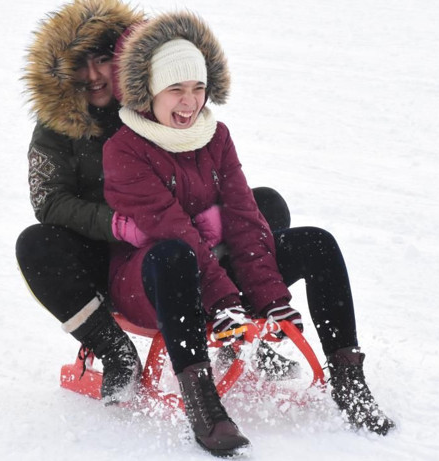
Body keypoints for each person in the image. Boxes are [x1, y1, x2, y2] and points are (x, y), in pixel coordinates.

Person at [102, 11, 396, 456]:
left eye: (198, 88)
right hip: (151, 280)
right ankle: (204, 406)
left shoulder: (215, 135)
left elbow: (243, 217)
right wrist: (225, 301)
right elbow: (174, 229)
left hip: (213, 267)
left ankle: (349, 382)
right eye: (176, 89)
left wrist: (271, 300)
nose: (189, 102)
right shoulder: (123, 148)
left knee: (317, 242)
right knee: (176, 254)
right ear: (149, 92)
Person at [16, 0, 294, 406]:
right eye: (80, 64)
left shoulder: (155, 102)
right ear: (61, 72)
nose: (94, 75)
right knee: (36, 244)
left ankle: (242, 322)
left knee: (263, 205)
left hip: (183, 234)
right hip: (112, 251)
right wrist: (115, 223)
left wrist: (207, 213)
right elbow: (49, 199)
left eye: (103, 59)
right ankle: (114, 350)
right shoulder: (56, 126)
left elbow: (205, 163)